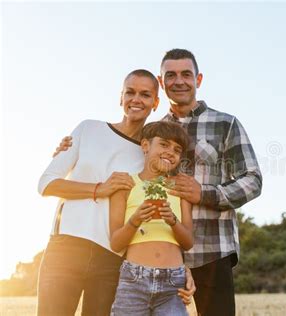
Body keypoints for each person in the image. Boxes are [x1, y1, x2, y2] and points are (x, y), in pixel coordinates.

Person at [56, 49, 263, 316]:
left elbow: (253, 180)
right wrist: (67, 149)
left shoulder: (225, 123)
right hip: (158, 260)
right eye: (171, 75)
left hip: (213, 250)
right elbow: (114, 155)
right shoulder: (152, 131)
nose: (179, 81)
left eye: (186, 74)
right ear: (161, 82)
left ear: (198, 79)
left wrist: (205, 194)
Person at [37, 69, 195, 316]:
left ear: (155, 103)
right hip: (66, 247)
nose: (136, 99)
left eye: (145, 95)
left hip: (112, 259)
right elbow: (46, 184)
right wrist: (100, 189)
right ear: (120, 97)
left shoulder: (150, 152)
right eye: (130, 92)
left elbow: (166, 219)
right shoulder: (87, 129)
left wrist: (179, 269)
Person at [109, 121, 193, 315]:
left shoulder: (180, 189)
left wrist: (173, 221)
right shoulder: (126, 185)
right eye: (164, 144)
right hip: (133, 281)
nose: (171, 152)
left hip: (174, 284)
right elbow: (116, 243)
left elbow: (188, 242)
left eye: (177, 149)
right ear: (145, 146)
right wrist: (135, 220)